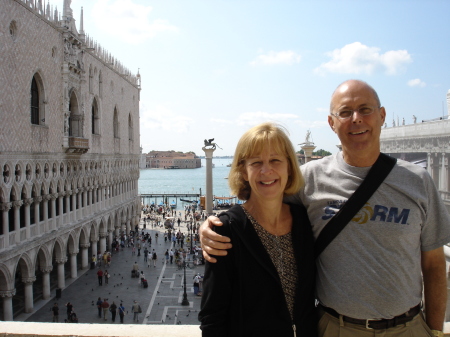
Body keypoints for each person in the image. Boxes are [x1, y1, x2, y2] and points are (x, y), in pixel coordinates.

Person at [200, 80, 450, 337]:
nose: (356, 119)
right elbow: (263, 203)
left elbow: (433, 265)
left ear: (382, 115)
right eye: (345, 112)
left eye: (365, 109)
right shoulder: (308, 179)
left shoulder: (418, 181)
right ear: (331, 123)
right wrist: (211, 225)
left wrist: (434, 330)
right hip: (335, 329)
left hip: (408, 329)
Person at [198, 122, 317, 337]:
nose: (266, 170)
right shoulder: (226, 230)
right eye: (256, 163)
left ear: (289, 167)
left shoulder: (304, 220)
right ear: (243, 171)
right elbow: (213, 316)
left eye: (275, 160)